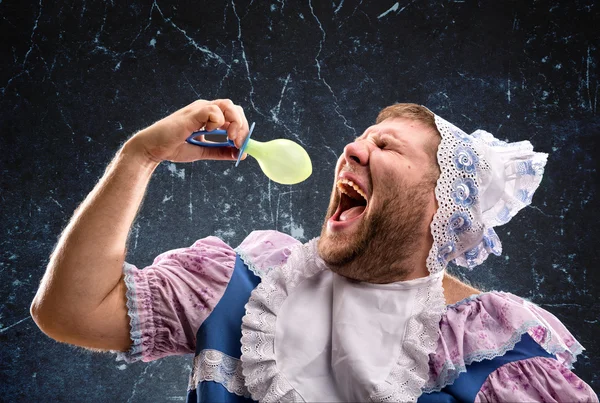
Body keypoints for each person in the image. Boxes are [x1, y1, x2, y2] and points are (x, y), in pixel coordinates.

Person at [31, 99, 597, 402]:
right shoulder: (245, 287)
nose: (352, 147)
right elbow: (67, 311)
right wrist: (140, 157)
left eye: (385, 145)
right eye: (360, 137)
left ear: (440, 207)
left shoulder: (497, 358)